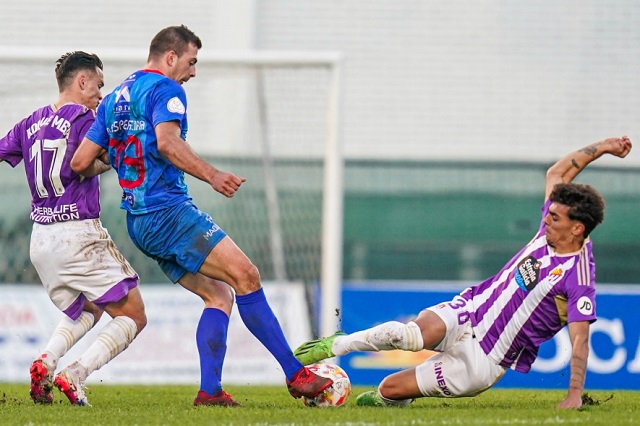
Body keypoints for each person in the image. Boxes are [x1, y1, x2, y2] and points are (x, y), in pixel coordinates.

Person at [70, 25, 332, 407]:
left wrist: (123, 153)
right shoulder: (165, 89)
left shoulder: (114, 98)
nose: (193, 72)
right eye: (191, 62)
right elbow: (167, 142)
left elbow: (80, 162)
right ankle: (296, 374)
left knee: (219, 294)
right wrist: (213, 175)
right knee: (246, 276)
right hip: (168, 212)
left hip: (138, 222)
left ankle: (210, 391)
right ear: (170, 56)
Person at [294, 136, 633, 410]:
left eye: (555, 217)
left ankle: (391, 400)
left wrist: (574, 394)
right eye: (549, 213)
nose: (545, 218)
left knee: (388, 388)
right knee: (410, 336)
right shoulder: (549, 233)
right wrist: (604, 147)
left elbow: (580, 339)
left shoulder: (578, 278)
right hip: (469, 310)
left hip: (484, 359)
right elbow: (556, 174)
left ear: (577, 228)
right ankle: (336, 343)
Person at [0, 52, 147, 406]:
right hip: (78, 233)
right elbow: (93, 161)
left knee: (88, 308)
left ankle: (46, 362)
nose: (100, 93)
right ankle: (76, 373)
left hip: (41, 239)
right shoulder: (85, 119)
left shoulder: (30, 122)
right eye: (98, 85)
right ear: (82, 81)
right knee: (134, 315)